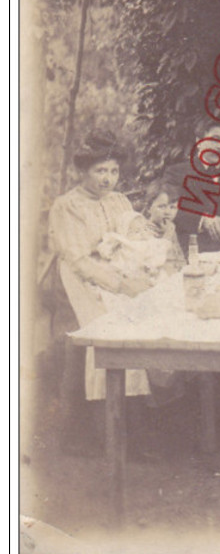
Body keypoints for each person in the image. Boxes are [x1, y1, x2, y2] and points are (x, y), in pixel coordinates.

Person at [48, 130, 152, 402]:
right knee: (112, 322)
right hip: (81, 280)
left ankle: (139, 402)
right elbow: (79, 261)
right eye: (100, 171)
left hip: (118, 271)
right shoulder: (67, 205)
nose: (108, 178)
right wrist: (121, 285)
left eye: (114, 171)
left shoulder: (118, 200)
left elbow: (133, 240)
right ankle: (106, 404)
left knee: (152, 305)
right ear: (84, 170)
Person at [163, 122, 220, 254]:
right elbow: (167, 210)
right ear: (199, 142)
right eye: (215, 139)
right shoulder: (177, 172)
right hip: (191, 252)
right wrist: (202, 220)